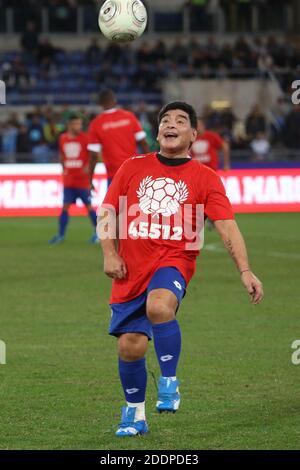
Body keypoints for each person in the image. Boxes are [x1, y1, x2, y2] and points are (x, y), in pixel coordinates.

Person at [97, 101, 264, 437]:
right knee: (130, 344)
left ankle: (170, 380)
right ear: (158, 131)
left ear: (193, 135)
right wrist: (109, 254)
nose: (170, 124)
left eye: (180, 120)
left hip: (174, 260)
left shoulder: (205, 178)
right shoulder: (132, 167)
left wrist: (245, 270)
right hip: (130, 269)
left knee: (159, 305)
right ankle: (135, 414)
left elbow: (227, 227)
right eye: (165, 120)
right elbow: (106, 212)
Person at [49, 114, 97, 245]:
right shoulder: (63, 138)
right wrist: (63, 167)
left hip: (82, 181)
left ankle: (98, 234)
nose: (78, 126)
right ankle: (60, 235)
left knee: (89, 207)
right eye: (76, 124)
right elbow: (62, 155)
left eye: (80, 124)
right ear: (69, 125)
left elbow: (93, 156)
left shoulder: (85, 138)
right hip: (69, 180)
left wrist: (88, 170)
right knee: (65, 208)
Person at [87, 90, 150, 188]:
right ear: (115, 101)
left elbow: (93, 156)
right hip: (133, 171)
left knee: (117, 203)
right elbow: (144, 143)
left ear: (100, 104)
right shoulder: (129, 116)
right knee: (133, 202)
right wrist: (148, 167)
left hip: (114, 174)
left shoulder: (96, 124)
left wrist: (90, 179)